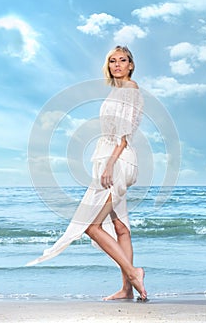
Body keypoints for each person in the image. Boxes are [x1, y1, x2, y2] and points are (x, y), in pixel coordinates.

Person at [26, 45, 147, 301]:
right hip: (108, 157)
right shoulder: (115, 92)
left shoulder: (130, 89)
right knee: (120, 227)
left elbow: (124, 136)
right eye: (112, 61)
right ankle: (126, 290)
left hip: (118, 160)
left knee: (91, 225)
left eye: (122, 60)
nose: (117, 65)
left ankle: (133, 272)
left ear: (131, 65)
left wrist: (110, 163)